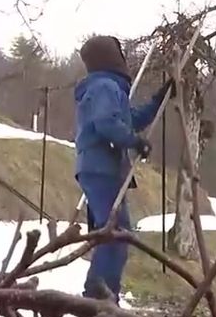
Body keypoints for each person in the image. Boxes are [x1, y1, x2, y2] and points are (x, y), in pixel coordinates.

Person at [74, 35, 173, 303]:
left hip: (99, 168)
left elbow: (129, 121)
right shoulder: (105, 86)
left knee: (111, 233)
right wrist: (134, 142)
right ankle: (100, 295)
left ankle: (101, 291)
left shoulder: (106, 88)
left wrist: (157, 101)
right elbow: (107, 124)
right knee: (116, 233)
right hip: (101, 168)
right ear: (112, 57)